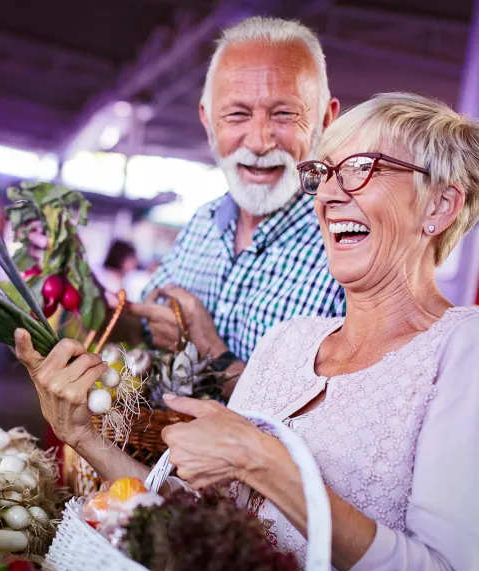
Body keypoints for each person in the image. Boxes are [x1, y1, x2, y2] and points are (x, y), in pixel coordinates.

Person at [15, 92, 479, 571]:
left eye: (360, 170)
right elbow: (199, 523)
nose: (330, 193)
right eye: (324, 173)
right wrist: (83, 436)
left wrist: (263, 461)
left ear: (440, 206)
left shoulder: (473, 345)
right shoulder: (286, 342)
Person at [123, 17, 345, 390]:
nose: (259, 141)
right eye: (237, 114)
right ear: (209, 122)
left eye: (284, 114)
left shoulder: (347, 247)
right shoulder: (203, 221)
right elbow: (144, 327)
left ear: (325, 120)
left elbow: (329, 421)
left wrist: (208, 347)